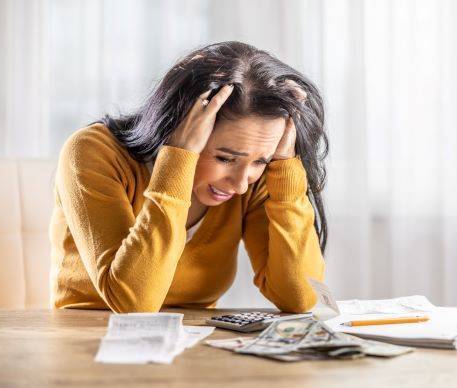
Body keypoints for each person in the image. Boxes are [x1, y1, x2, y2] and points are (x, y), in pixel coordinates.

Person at [49, 41, 329, 313]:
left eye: (261, 161)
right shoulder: (93, 152)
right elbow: (133, 302)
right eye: (224, 158)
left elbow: (300, 297)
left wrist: (285, 168)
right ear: (184, 124)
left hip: (194, 348)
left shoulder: (257, 177)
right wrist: (179, 157)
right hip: (89, 341)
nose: (242, 184)